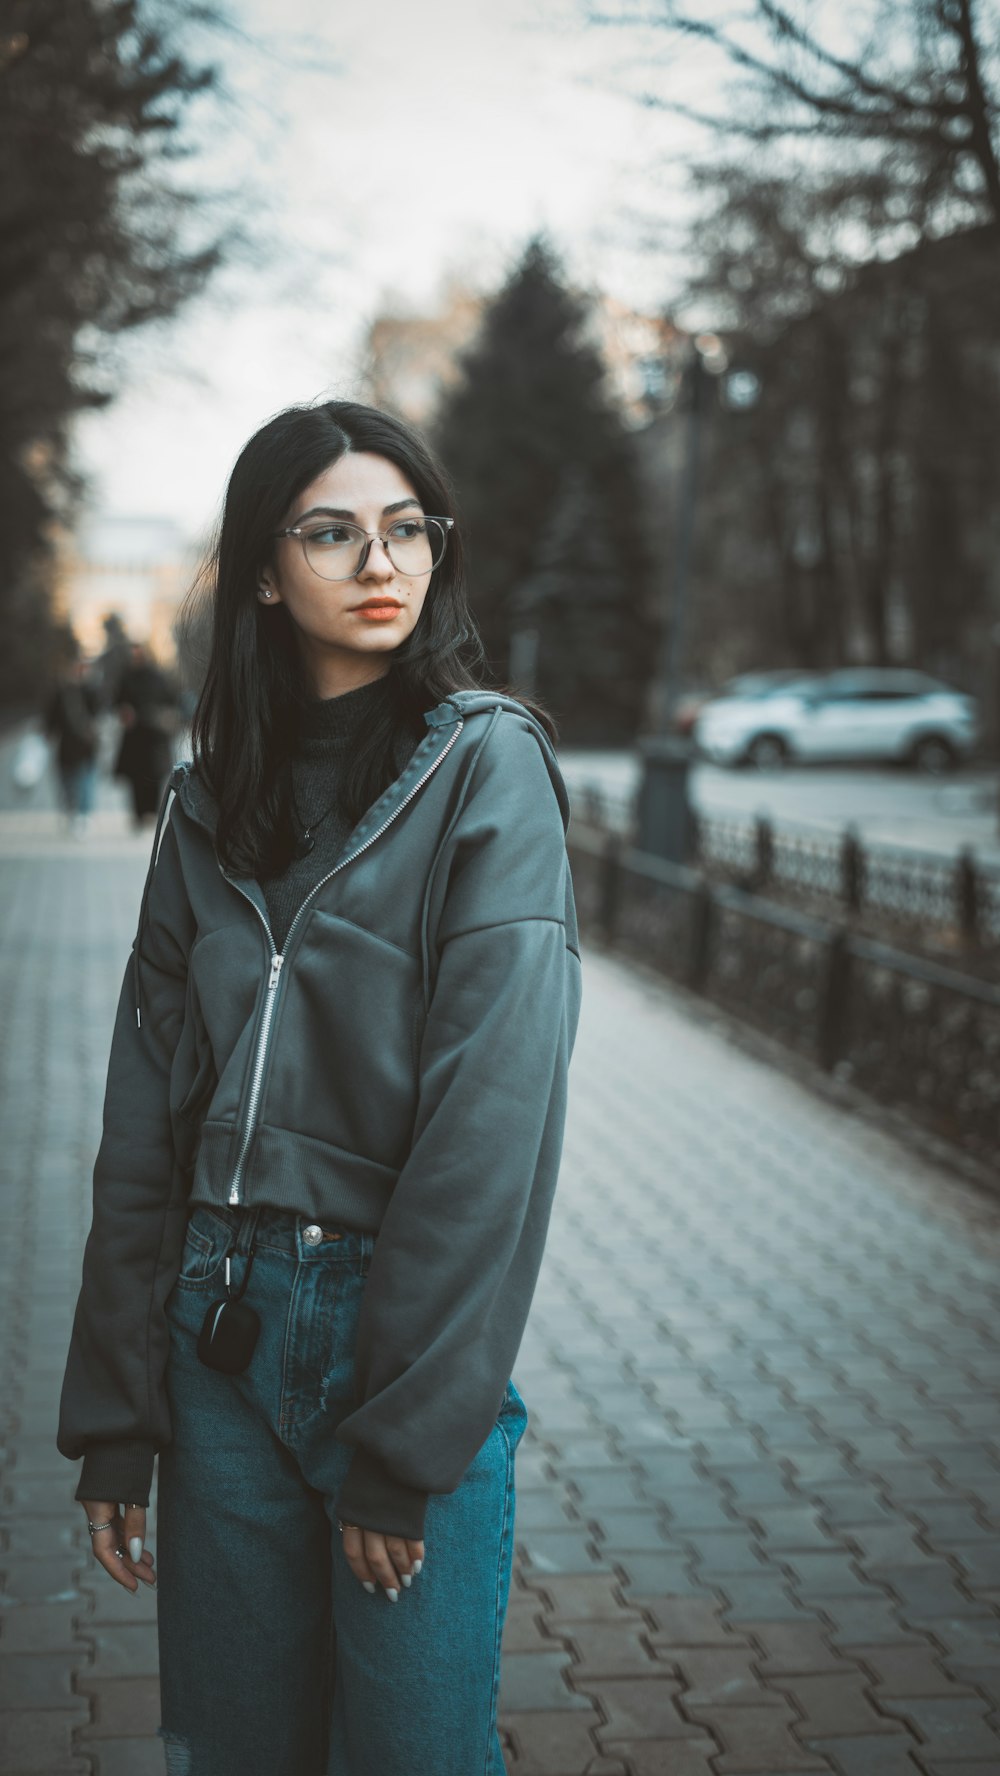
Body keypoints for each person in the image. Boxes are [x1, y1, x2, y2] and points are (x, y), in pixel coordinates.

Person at [57, 399, 583, 1775]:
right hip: (216, 1339)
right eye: (334, 531)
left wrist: (405, 1442)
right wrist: (117, 1419)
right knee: (235, 1755)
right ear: (261, 569)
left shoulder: (489, 768)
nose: (381, 562)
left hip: (390, 1335)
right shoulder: (205, 801)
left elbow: (492, 1130)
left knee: (411, 1753)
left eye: (409, 529)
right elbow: (138, 1126)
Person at [113, 642, 179, 827]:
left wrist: (160, 714)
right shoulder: (126, 677)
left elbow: (171, 701)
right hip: (134, 737)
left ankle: (150, 812)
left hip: (154, 737)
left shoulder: (157, 677)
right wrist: (124, 711)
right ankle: (138, 813)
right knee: (135, 778)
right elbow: (117, 701)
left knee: (154, 775)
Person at [44, 648, 102, 837]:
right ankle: (71, 812)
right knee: (67, 783)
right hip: (67, 746)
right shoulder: (62, 692)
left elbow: (99, 716)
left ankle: (83, 815)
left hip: (86, 746)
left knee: (85, 781)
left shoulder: (92, 691)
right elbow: (51, 718)